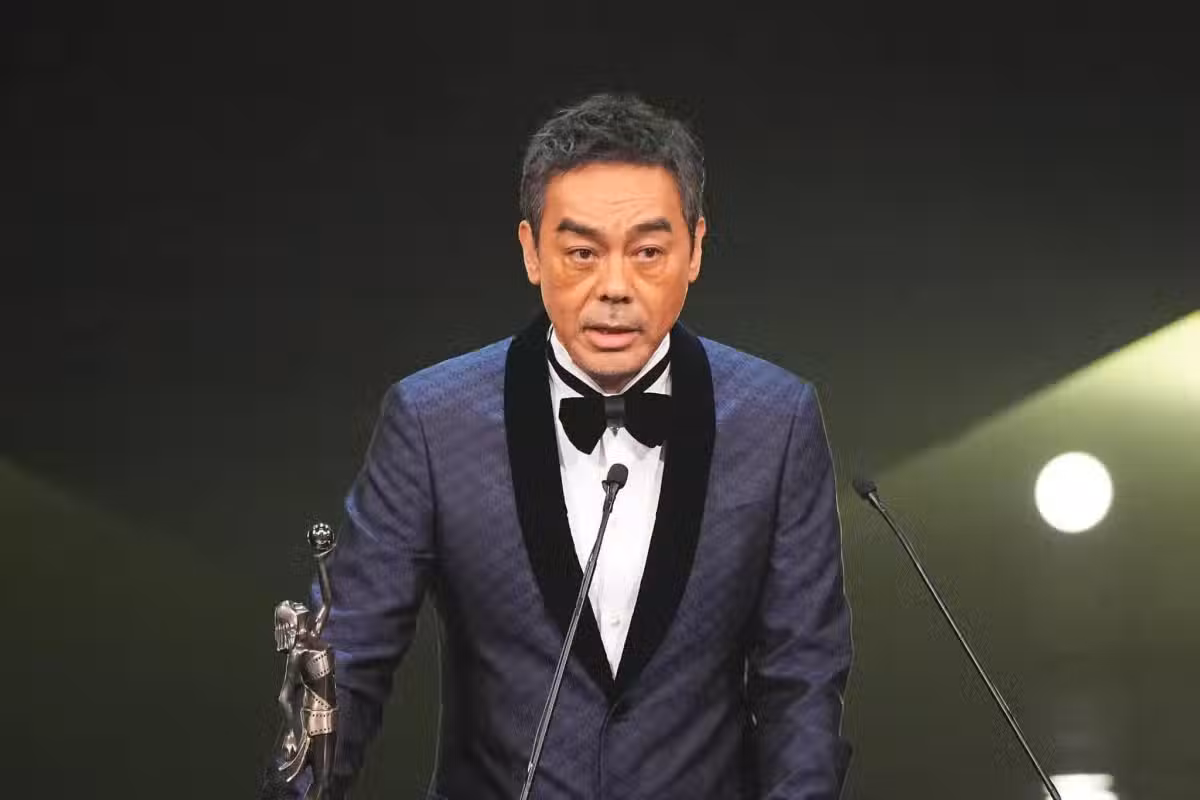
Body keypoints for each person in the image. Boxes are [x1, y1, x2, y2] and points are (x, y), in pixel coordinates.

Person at [267, 92, 853, 799]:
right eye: (581, 252)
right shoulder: (431, 420)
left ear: (696, 248)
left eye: (648, 252)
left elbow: (802, 684)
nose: (615, 288)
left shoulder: (777, 419)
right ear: (531, 251)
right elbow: (347, 667)